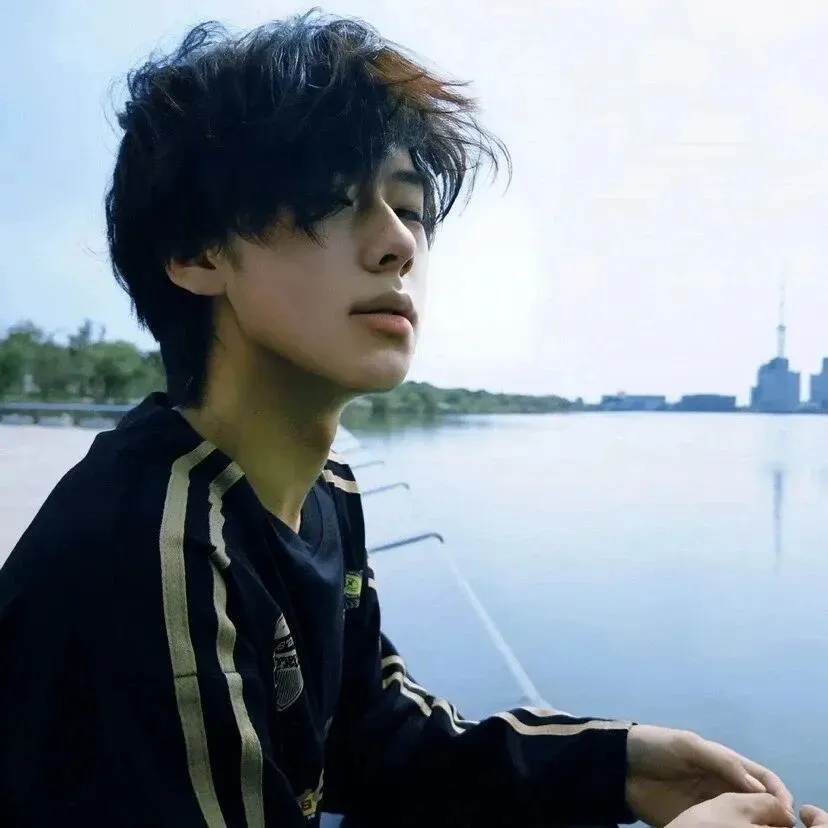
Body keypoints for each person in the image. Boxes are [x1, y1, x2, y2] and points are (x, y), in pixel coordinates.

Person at [0, 11, 800, 827]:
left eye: (411, 208)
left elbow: (375, 739)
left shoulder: (323, 492)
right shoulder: (152, 553)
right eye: (332, 198)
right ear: (199, 253)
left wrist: (622, 766)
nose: (397, 245)